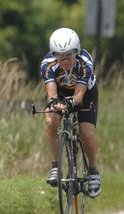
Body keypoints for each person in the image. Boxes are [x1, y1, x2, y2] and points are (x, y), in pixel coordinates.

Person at [40, 27, 101, 198]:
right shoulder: (47, 65)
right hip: (60, 92)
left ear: (77, 52)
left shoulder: (84, 64)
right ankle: (54, 167)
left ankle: (93, 171)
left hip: (85, 93)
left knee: (86, 133)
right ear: (54, 55)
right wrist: (54, 103)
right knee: (50, 120)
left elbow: (79, 97)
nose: (65, 60)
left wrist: (70, 103)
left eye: (69, 55)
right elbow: (51, 94)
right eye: (60, 56)